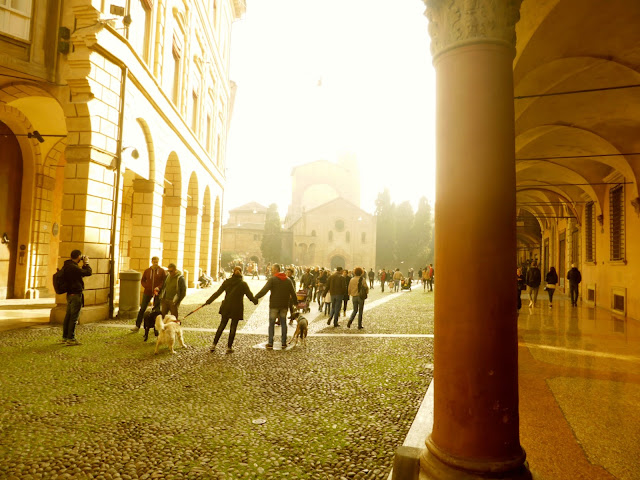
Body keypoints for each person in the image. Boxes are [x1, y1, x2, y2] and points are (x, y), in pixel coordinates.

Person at [205, 266, 258, 353]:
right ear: (241, 272)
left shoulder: (227, 282)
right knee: (233, 328)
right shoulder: (243, 284)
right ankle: (229, 347)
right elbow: (250, 296)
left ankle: (213, 345)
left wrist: (209, 301)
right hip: (236, 308)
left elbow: (218, 293)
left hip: (226, 306)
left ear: (233, 272)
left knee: (222, 325)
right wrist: (255, 301)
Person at [255, 264, 297, 349]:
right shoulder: (288, 280)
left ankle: (270, 343)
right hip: (284, 305)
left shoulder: (273, 279)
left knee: (271, 324)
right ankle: (284, 342)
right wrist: (296, 302)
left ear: (277, 270)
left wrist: (255, 297)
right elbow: (293, 292)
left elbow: (264, 290)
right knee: (284, 323)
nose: (271, 271)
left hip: (274, 305)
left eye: (273, 269)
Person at [60, 250, 92, 346]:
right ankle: (71, 338)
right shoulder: (73, 267)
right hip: (75, 294)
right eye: (80, 257)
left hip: (70, 294)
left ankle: (65, 337)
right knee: (74, 317)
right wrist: (86, 263)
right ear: (78, 256)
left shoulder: (66, 266)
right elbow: (88, 272)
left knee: (68, 316)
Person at [132, 257, 167, 333]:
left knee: (156, 310)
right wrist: (147, 286)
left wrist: (159, 287)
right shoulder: (147, 271)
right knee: (142, 309)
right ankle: (137, 325)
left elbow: (164, 281)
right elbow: (143, 280)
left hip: (157, 292)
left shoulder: (162, 271)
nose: (156, 263)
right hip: (147, 292)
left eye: (157, 262)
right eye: (154, 262)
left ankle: (157, 327)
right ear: (151, 262)